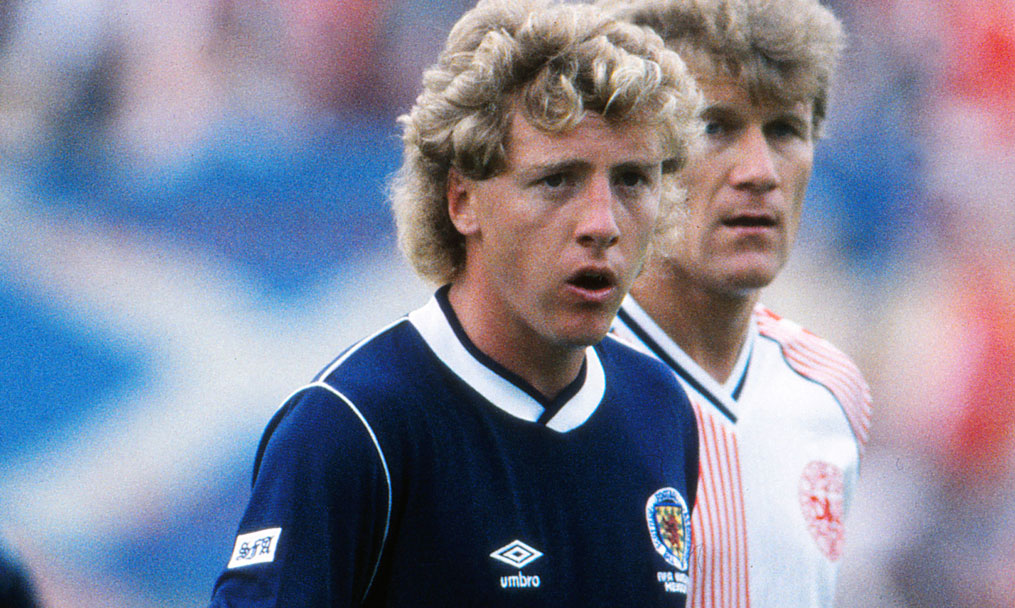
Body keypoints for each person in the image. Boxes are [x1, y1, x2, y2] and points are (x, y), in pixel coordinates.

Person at [207, 0, 704, 605]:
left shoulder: (661, 408)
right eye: (556, 180)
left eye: (632, 180)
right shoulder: (351, 426)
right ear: (462, 201)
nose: (602, 223)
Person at [599, 0, 873, 606]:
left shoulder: (832, 391)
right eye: (715, 127)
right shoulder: (558, 380)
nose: (760, 172)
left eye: (784, 130)